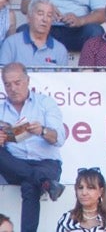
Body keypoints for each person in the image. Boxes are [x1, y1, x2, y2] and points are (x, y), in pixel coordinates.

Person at [0, 62, 66, 232]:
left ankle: (41, 181)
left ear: (28, 81)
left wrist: (42, 130)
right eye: (7, 84)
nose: (13, 88)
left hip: (46, 163)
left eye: (17, 82)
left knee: (30, 186)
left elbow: (59, 138)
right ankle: (45, 183)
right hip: (15, 164)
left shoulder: (45, 103)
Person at [0, 0, 69, 67]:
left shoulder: (60, 50)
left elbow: (63, 77)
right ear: (29, 17)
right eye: (40, 14)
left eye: (49, 16)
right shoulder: (11, 43)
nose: (45, 19)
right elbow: (2, 74)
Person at [55, 167, 106, 232]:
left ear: (100, 191)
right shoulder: (67, 219)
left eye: (90, 188)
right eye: (80, 187)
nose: (84, 193)